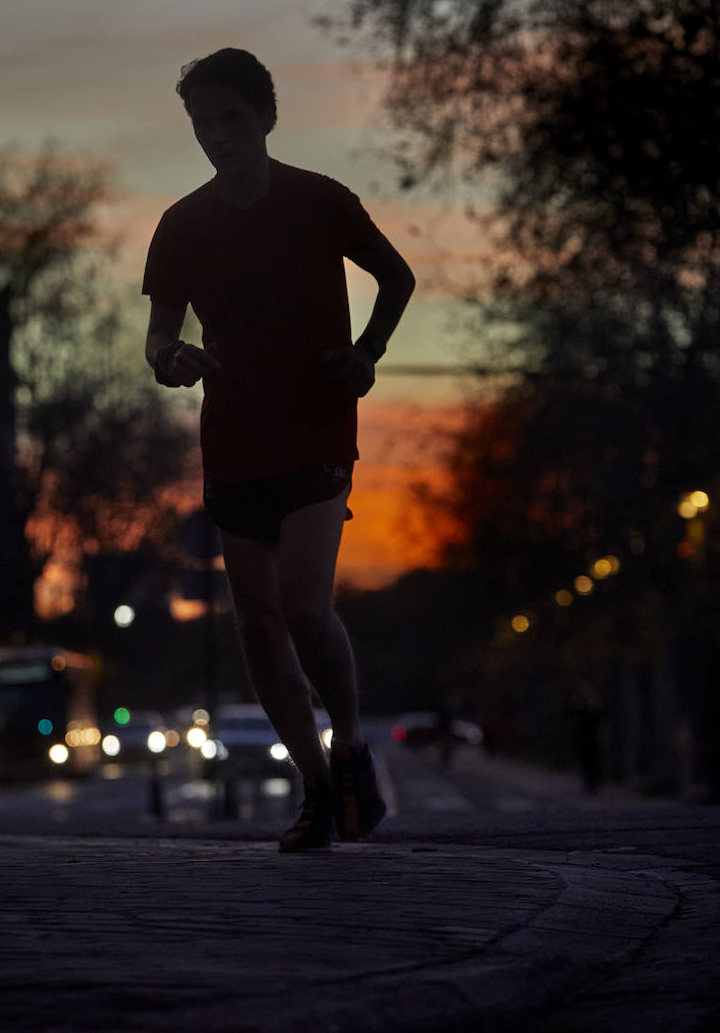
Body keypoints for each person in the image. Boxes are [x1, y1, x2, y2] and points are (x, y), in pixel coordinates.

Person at [142, 48, 415, 851]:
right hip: (233, 442)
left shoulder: (319, 201)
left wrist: (368, 352)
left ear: (265, 116)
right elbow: (158, 335)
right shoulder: (181, 226)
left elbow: (396, 278)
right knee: (258, 627)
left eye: (231, 117)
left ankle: (351, 740)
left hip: (317, 428)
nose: (218, 134)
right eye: (202, 123)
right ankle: (317, 789)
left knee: (303, 607)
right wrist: (171, 359)